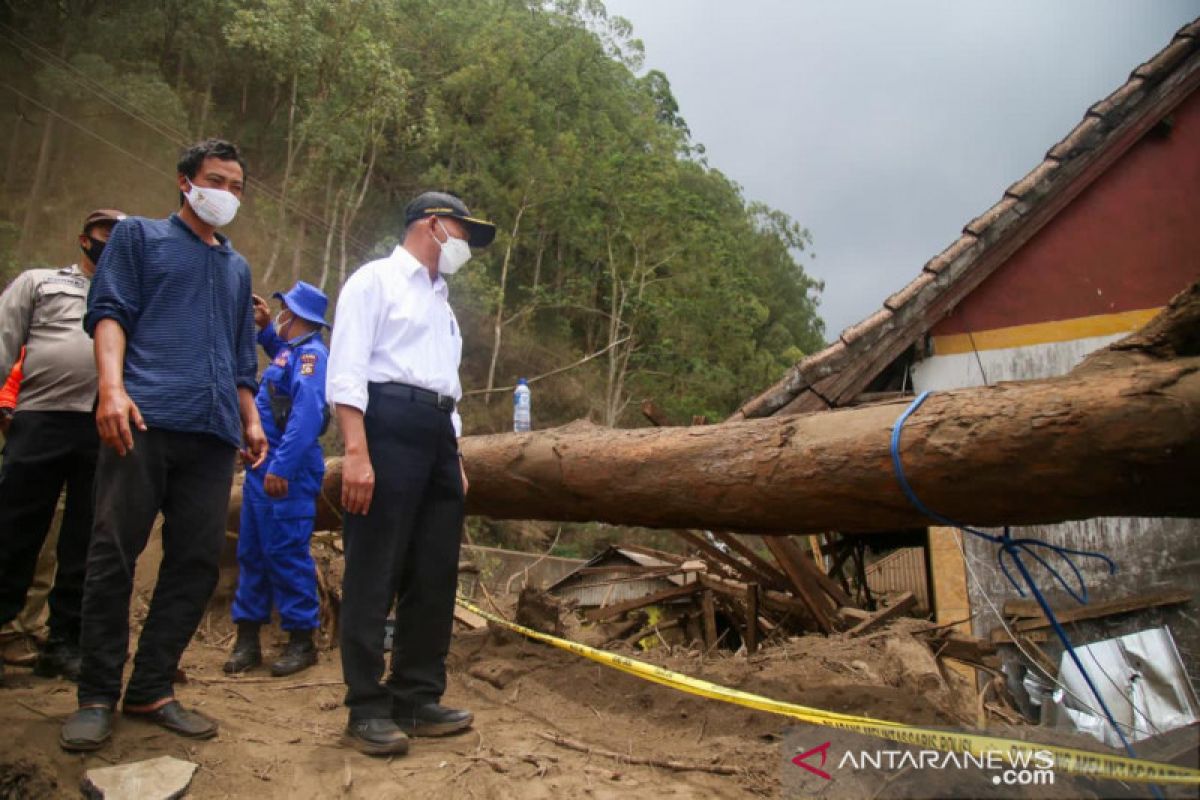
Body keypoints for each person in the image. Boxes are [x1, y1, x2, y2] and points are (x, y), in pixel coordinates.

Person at [59, 139, 267, 752]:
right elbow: (110, 313)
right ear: (184, 182)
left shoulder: (236, 266)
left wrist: (250, 418)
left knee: (197, 562)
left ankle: (151, 687)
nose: (225, 194)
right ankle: (96, 693)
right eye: (215, 181)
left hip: (213, 434)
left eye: (235, 186)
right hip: (144, 418)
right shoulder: (139, 239)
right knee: (113, 553)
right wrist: (112, 390)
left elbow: (239, 356)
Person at [327, 191, 494, 756]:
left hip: (438, 438)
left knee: (434, 572)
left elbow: (448, 385)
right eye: (463, 231)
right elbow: (347, 368)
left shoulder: (444, 305)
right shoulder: (373, 281)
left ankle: (416, 695)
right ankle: (366, 704)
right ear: (432, 225)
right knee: (375, 567)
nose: (466, 244)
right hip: (387, 425)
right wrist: (356, 451)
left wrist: (456, 456)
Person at [0, 209, 126, 687]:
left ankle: (64, 644)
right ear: (83, 239)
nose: (111, 242)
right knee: (14, 528)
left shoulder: (136, 297)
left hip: (105, 427)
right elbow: (4, 340)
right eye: (103, 235)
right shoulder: (41, 282)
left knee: (85, 542)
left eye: (121, 236)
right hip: (39, 418)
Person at [224, 281, 329, 678]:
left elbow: (305, 419)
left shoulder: (313, 359)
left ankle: (302, 639)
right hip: (259, 468)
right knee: (252, 551)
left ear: (297, 316)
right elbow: (279, 363)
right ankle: (247, 638)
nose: (279, 313)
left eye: (283, 311)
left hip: (289, 471)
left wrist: (281, 468)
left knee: (286, 553)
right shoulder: (291, 352)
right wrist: (268, 330)